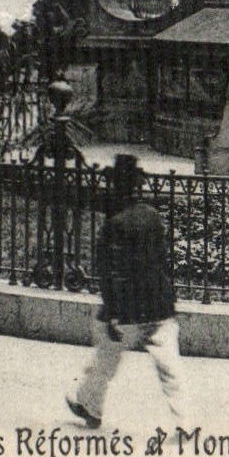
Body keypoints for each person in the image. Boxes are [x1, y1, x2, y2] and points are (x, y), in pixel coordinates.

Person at [67, 154, 189, 432]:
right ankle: (186, 421)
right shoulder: (152, 217)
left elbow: (112, 274)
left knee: (106, 357)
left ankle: (90, 404)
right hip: (160, 306)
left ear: (116, 188)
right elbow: (162, 260)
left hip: (129, 311)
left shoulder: (115, 225)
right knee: (170, 368)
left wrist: (112, 314)